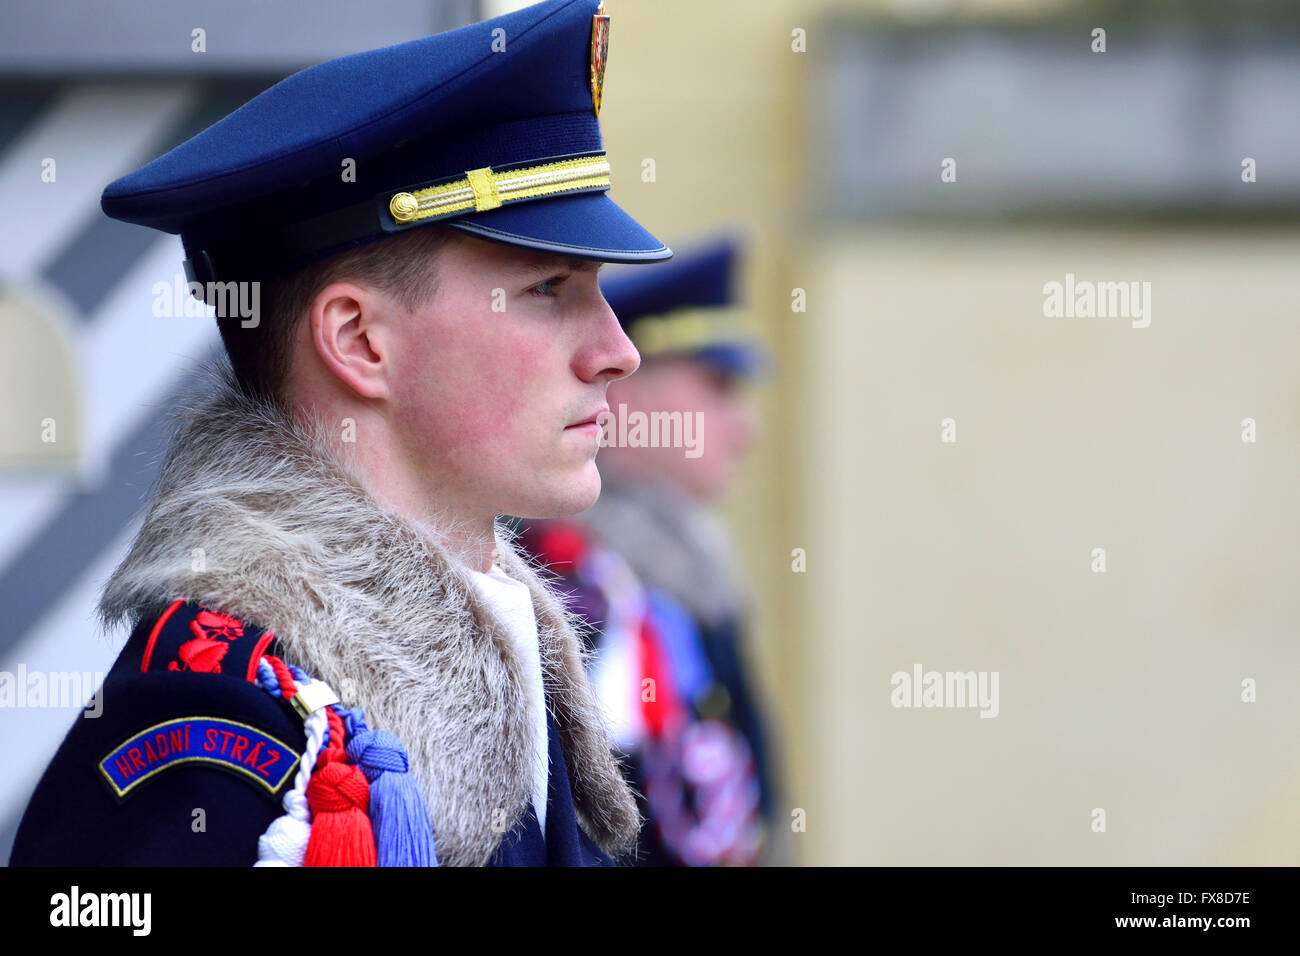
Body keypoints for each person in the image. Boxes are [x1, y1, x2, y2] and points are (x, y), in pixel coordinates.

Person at [9, 0, 672, 867]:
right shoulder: (222, 731)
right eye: (549, 289)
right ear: (359, 341)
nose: (617, 352)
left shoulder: (500, 652)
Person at [517, 236, 786, 865]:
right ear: (627, 397)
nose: (746, 429)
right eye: (719, 387)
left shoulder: (680, 569)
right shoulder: (573, 582)